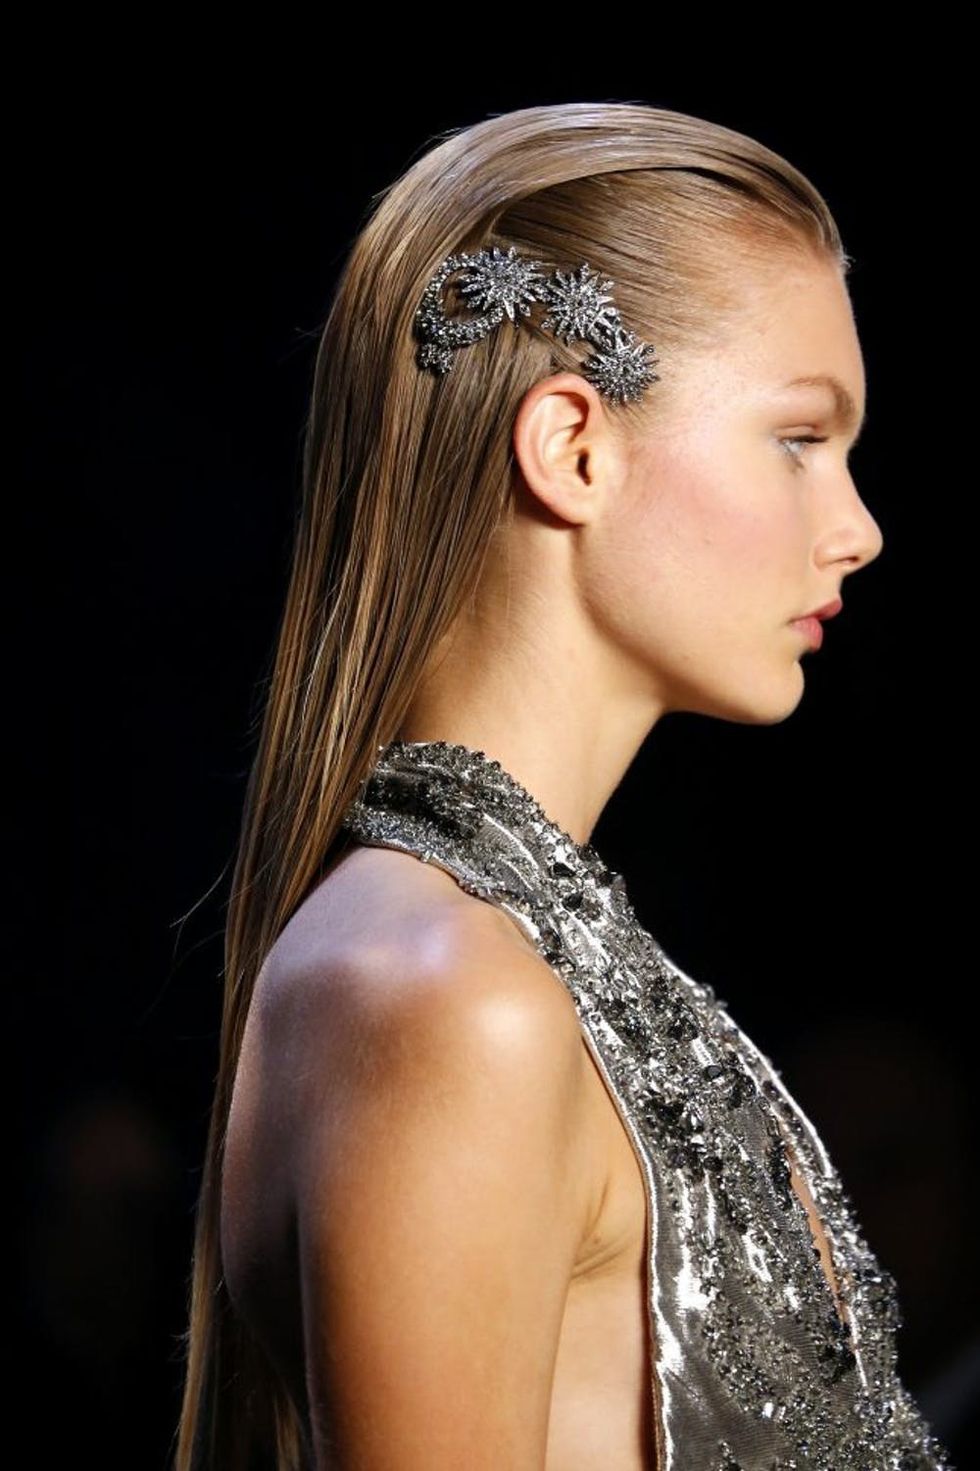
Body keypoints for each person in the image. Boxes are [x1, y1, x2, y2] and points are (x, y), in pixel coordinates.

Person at [172, 101, 955, 1470]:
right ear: (573, 448)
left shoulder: (526, 964)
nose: (860, 528)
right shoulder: (444, 993)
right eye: (798, 439)